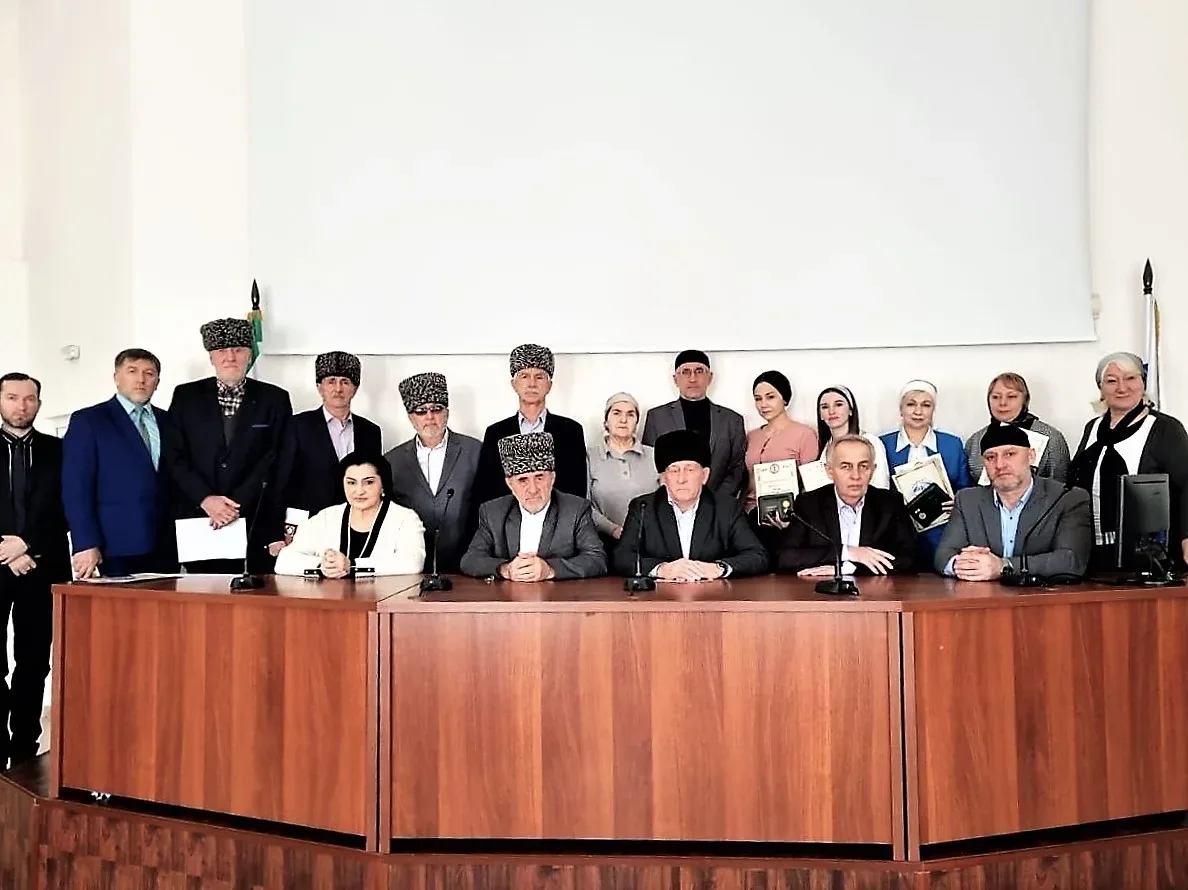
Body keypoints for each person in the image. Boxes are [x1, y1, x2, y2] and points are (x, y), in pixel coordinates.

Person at [163, 318, 292, 573]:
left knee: (256, 593)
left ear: (249, 355)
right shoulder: (186, 396)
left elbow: (277, 457)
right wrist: (206, 499)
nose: (230, 357)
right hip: (200, 518)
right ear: (211, 356)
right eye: (222, 350)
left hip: (255, 518)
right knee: (203, 592)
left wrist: (236, 502)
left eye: (238, 350)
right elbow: (174, 455)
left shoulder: (274, 398)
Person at [0, 373, 69, 769]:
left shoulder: (60, 451)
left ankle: (24, 745)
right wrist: (7, 550)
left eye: (29, 399)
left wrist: (26, 544)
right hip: (0, 563)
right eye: (12, 397)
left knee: (34, 659)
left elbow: (68, 507)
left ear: (39, 403)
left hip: (43, 567)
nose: (21, 406)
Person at [62, 349, 177, 577]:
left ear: (157, 382)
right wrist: (85, 543)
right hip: (114, 547)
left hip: (166, 545)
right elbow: (76, 488)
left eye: (149, 373)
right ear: (116, 377)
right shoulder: (89, 421)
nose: (141, 379)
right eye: (132, 371)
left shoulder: (170, 421)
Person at [1068, 352, 1188, 571]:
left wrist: (1187, 536)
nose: (1122, 388)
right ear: (1101, 388)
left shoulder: (1165, 429)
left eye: (1130, 378)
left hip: (1149, 555)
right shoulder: (1092, 428)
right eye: (1111, 381)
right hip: (1092, 552)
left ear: (1143, 383)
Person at [937, 424, 1091, 580]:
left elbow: (1071, 560)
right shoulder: (967, 500)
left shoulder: (1067, 497)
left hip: (1041, 594)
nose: (1000, 465)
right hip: (980, 593)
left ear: (1031, 456)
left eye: (1010, 454)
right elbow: (943, 555)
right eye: (990, 457)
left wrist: (1003, 566)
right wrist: (963, 565)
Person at [613, 429, 769, 580]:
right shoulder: (643, 507)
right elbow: (622, 557)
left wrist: (718, 568)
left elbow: (757, 556)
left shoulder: (726, 507)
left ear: (704, 475)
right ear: (663, 478)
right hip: (660, 595)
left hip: (713, 594)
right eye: (674, 471)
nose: (681, 479)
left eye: (689, 470)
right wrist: (661, 569)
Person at [461, 432, 606, 581]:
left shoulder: (576, 509)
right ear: (510, 484)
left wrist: (550, 570)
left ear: (552, 478)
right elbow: (470, 560)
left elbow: (597, 559)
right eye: (523, 480)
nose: (533, 489)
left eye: (539, 477)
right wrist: (506, 569)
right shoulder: (492, 512)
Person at [776, 435, 916, 576]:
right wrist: (847, 552)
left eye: (863, 466)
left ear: (873, 470)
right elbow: (785, 558)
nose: (856, 476)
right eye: (846, 467)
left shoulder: (890, 504)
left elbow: (909, 559)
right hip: (821, 588)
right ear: (830, 471)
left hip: (873, 589)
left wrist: (847, 569)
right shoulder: (808, 504)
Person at [385, 372, 481, 573]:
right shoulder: (392, 461)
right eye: (421, 411)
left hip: (466, 564)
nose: (430, 417)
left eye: (436, 409)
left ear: (447, 412)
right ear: (411, 417)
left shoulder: (475, 451)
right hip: (411, 567)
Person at [275, 452, 425, 577]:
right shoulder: (326, 517)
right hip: (332, 600)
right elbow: (283, 561)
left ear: (383, 485)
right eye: (351, 483)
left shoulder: (405, 518)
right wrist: (322, 566)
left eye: (368, 482)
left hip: (384, 600)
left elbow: (413, 562)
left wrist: (352, 565)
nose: (359, 491)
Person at [473, 344, 587, 506]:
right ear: (514, 384)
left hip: (559, 518)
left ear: (549, 385)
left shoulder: (571, 431)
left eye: (539, 377)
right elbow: (487, 489)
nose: (532, 383)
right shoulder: (496, 433)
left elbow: (577, 489)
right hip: (506, 518)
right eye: (524, 376)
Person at [280, 352, 382, 522]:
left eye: (345, 382)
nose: (338, 389)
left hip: (356, 522)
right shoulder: (297, 426)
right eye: (331, 381)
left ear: (355, 389)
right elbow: (282, 481)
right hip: (309, 522)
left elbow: (373, 483)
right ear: (320, 387)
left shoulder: (370, 431)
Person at [880, 379, 971, 567]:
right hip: (895, 536)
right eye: (911, 404)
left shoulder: (952, 444)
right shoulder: (882, 444)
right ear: (901, 409)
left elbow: (965, 489)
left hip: (942, 535)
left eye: (926, 405)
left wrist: (957, 503)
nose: (918, 411)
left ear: (933, 410)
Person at [641, 350, 747, 498]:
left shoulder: (732, 420)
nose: (692, 378)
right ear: (675, 379)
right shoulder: (657, 417)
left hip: (719, 504)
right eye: (686, 372)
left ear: (710, 377)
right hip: (671, 503)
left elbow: (737, 468)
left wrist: (717, 500)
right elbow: (650, 466)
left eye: (699, 371)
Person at [964, 372, 1071, 484]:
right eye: (996, 397)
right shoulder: (975, 441)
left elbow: (1061, 486)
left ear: (1025, 400)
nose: (1002, 403)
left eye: (1011, 397)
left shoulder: (1051, 438)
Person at [586, 392, 658, 545]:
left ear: (637, 422)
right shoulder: (590, 456)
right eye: (616, 413)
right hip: (603, 541)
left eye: (630, 414)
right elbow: (584, 504)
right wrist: (613, 530)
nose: (623, 420)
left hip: (650, 540)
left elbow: (666, 500)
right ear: (606, 421)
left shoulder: (654, 455)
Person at [744, 371, 819, 517]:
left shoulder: (804, 434)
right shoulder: (751, 436)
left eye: (770, 397)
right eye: (758, 399)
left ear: (784, 398)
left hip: (787, 514)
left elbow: (810, 485)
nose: (763, 404)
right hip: (749, 513)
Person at [815, 385, 889, 489]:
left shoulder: (870, 441)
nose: (831, 412)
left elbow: (881, 485)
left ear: (850, 410)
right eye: (825, 407)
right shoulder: (824, 448)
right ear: (821, 415)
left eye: (838, 405)